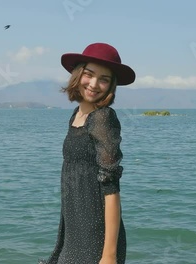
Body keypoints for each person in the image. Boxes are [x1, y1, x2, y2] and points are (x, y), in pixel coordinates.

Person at [40, 43, 135, 264]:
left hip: (95, 235)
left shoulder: (103, 118)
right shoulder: (76, 115)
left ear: (111, 85)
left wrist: (109, 255)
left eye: (104, 79)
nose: (94, 84)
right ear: (78, 74)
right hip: (74, 226)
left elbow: (111, 190)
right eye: (89, 75)